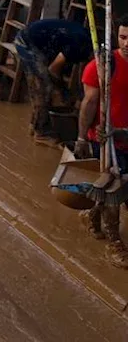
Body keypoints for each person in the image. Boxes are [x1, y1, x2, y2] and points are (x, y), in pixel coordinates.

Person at [76, 15, 128, 268]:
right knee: (113, 190)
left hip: (125, 136)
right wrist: (81, 137)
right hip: (106, 140)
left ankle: (91, 215)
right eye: (123, 37)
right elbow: (89, 103)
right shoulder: (102, 68)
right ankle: (114, 242)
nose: (127, 43)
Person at [16, 18, 93, 145]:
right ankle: (41, 132)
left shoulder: (86, 45)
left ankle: (35, 123)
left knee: (43, 84)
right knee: (43, 87)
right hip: (28, 42)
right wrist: (63, 91)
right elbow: (53, 69)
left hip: (38, 41)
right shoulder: (80, 46)